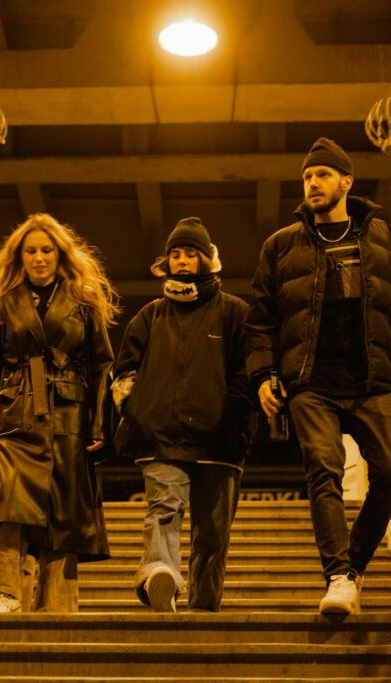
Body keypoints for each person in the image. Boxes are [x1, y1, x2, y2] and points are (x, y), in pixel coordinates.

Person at [246, 138, 391, 614]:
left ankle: (351, 568)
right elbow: (261, 320)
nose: (313, 183)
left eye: (323, 175)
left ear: (346, 182)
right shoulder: (280, 246)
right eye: (308, 177)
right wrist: (264, 375)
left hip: (371, 380)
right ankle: (336, 577)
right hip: (310, 382)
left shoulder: (382, 239)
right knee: (323, 469)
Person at [0, 212, 118, 613]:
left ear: (60, 254)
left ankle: (58, 608)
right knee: (10, 500)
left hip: (70, 417)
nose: (39, 257)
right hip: (16, 417)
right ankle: (6, 590)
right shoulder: (4, 304)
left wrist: (101, 422)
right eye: (31, 251)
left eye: (47, 250)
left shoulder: (84, 301)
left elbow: (102, 366)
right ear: (19, 256)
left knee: (62, 518)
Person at [112, 217, 255, 613]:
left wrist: (235, 416)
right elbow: (124, 373)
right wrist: (137, 412)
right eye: (175, 253)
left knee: (213, 537)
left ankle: (204, 612)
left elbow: (248, 372)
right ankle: (160, 574)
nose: (182, 261)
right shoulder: (149, 316)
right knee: (164, 509)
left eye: (191, 253)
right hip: (162, 438)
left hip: (221, 442)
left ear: (207, 260)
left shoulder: (235, 313)